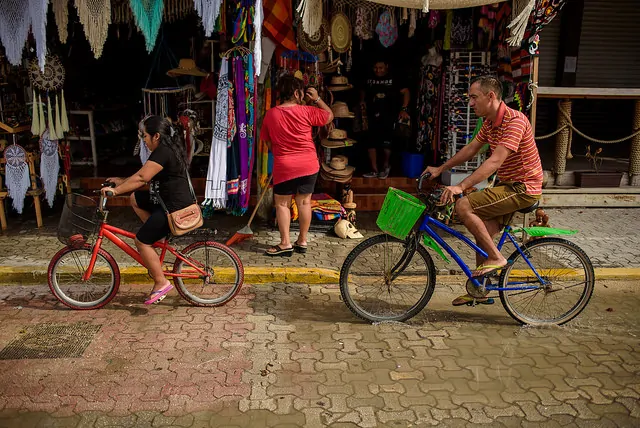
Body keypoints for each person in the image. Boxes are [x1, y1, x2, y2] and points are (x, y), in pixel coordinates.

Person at [422, 76, 543, 306]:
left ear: (491, 96)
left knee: (463, 205)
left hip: (523, 187)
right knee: (482, 233)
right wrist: (441, 168)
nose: (470, 103)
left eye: (473, 97)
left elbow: (494, 162)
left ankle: (497, 258)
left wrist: (460, 186)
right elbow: (471, 149)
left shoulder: (514, 121)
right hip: (507, 185)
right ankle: (481, 289)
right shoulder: (489, 123)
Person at [100, 115, 195, 304]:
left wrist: (116, 191)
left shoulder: (163, 152)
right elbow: (142, 177)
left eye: (144, 136)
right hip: (165, 203)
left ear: (156, 136)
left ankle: (161, 282)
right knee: (135, 197)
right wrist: (121, 182)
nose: (143, 140)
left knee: (141, 241)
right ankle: (157, 238)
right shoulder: (164, 150)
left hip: (173, 210)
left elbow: (142, 178)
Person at [260, 75, 334, 257]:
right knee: (304, 202)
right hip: (309, 164)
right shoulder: (307, 111)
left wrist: (280, 154)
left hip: (285, 165)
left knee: (283, 204)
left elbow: (268, 142)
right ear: (296, 92)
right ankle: (302, 240)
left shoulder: (271, 114)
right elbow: (329, 116)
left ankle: (285, 243)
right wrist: (317, 99)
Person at [361, 59, 410, 179]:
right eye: (376, 68)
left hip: (389, 114)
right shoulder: (369, 78)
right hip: (371, 115)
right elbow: (363, 90)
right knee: (370, 141)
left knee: (386, 142)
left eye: (381, 67)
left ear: (386, 66)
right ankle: (374, 170)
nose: (378, 70)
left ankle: (385, 167)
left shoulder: (394, 78)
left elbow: (406, 92)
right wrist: (362, 102)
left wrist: (404, 109)